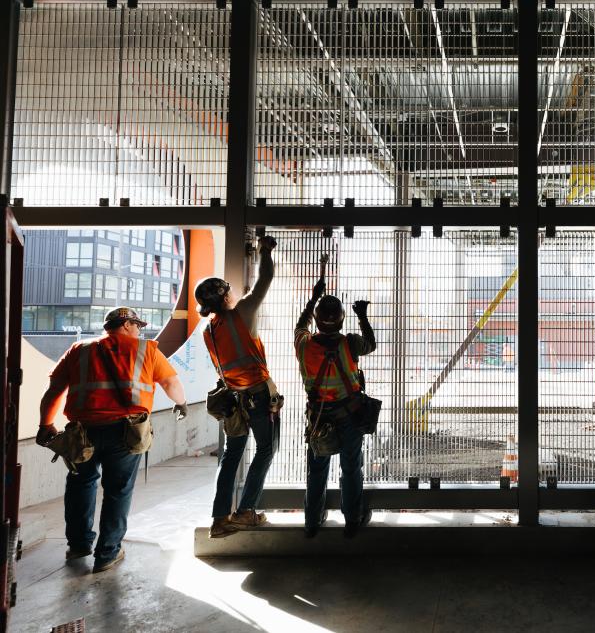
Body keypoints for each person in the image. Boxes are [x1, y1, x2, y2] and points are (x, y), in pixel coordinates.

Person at [35, 307, 187, 573]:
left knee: (81, 485)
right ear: (126, 324)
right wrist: (181, 403)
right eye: (137, 324)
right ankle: (107, 554)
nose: (139, 330)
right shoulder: (146, 350)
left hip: (82, 431)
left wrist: (45, 424)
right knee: (118, 490)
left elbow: (54, 391)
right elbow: (171, 383)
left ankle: (80, 545)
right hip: (125, 433)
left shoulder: (78, 350)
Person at [197, 235, 281, 538]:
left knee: (231, 456)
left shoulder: (209, 331)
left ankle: (219, 520)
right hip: (258, 394)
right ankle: (246, 512)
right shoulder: (243, 313)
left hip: (234, 399)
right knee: (267, 449)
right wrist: (264, 251)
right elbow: (266, 279)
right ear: (224, 296)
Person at [299, 261, 376, 539]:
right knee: (350, 468)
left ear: (316, 320)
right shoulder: (350, 343)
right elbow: (372, 343)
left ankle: (311, 522)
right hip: (350, 416)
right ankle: (352, 521)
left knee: (317, 469)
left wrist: (314, 298)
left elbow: (301, 324)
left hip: (318, 418)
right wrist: (363, 316)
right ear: (342, 320)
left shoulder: (303, 345)